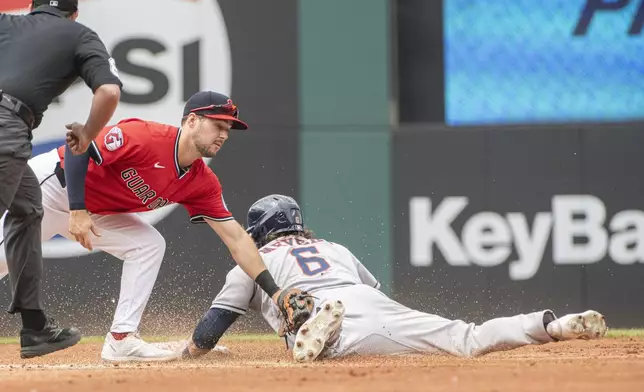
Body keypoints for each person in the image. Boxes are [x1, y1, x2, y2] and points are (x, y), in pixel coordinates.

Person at [0, 91, 301, 362]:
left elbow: (236, 238)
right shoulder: (144, 137)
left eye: (228, 129)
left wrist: (275, 293)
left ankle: (121, 339)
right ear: (192, 121)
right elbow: (79, 146)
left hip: (92, 210)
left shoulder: (202, 183)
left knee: (148, 245)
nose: (223, 134)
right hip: (52, 187)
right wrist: (77, 209)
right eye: (218, 124)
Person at [176, 194, 608, 362]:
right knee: (467, 338)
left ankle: (320, 338)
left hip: (333, 319)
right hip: (369, 302)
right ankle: (550, 324)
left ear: (258, 233)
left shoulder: (247, 264)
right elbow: (376, 292)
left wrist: (193, 353)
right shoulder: (333, 247)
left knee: (319, 351)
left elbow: (208, 332)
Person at [0, 0, 122, 358]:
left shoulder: (7, 24)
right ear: (74, 13)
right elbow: (110, 91)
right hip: (6, 130)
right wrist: (87, 133)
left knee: (27, 210)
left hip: (10, 133)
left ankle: (35, 327)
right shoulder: (80, 35)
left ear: (34, 7)